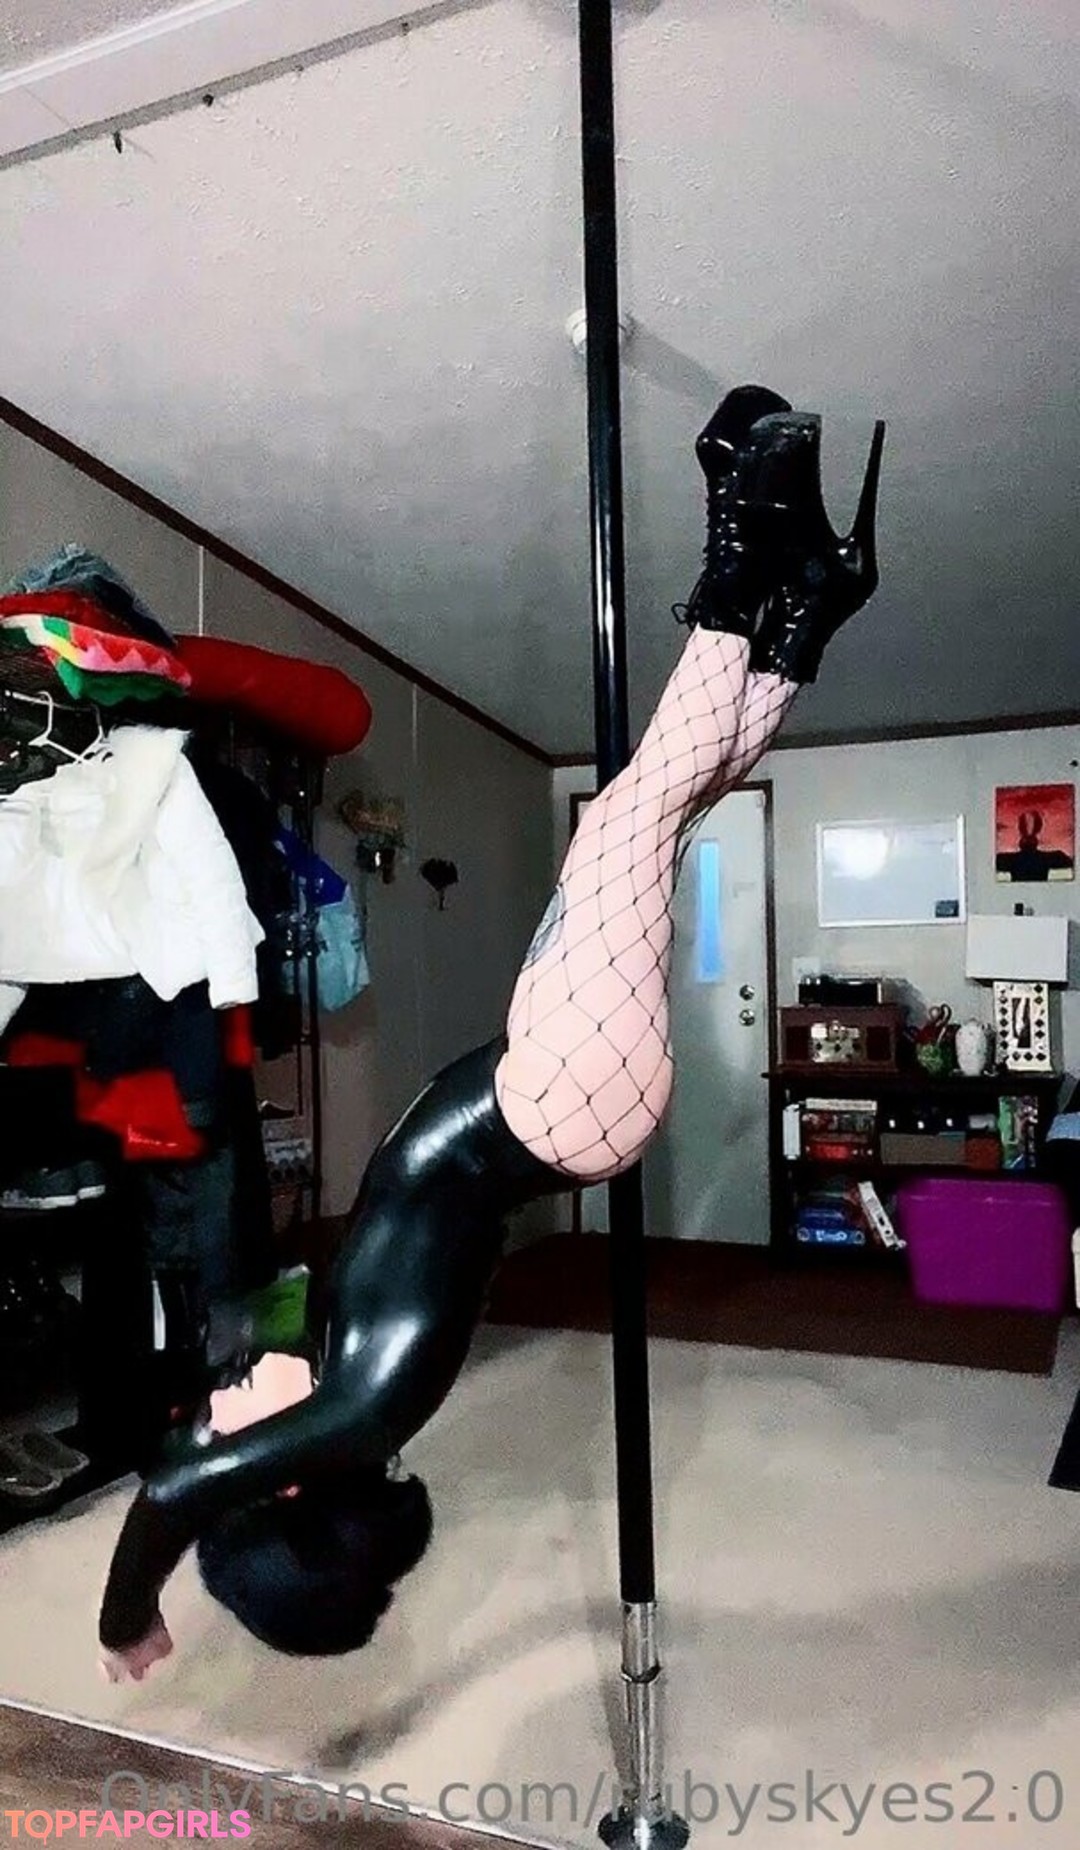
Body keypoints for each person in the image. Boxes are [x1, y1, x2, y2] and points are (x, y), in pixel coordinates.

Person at [98, 385, 886, 1683]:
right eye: (237, 1427)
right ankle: (743, 553)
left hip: (553, 1092)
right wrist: (131, 1618)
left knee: (659, 810)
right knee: (628, 818)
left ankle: (807, 614)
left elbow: (209, 1426)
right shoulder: (356, 1415)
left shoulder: (339, 1388)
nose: (223, 1405)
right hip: (559, 1097)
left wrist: (227, 1378)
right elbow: (178, 1489)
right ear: (284, 1482)